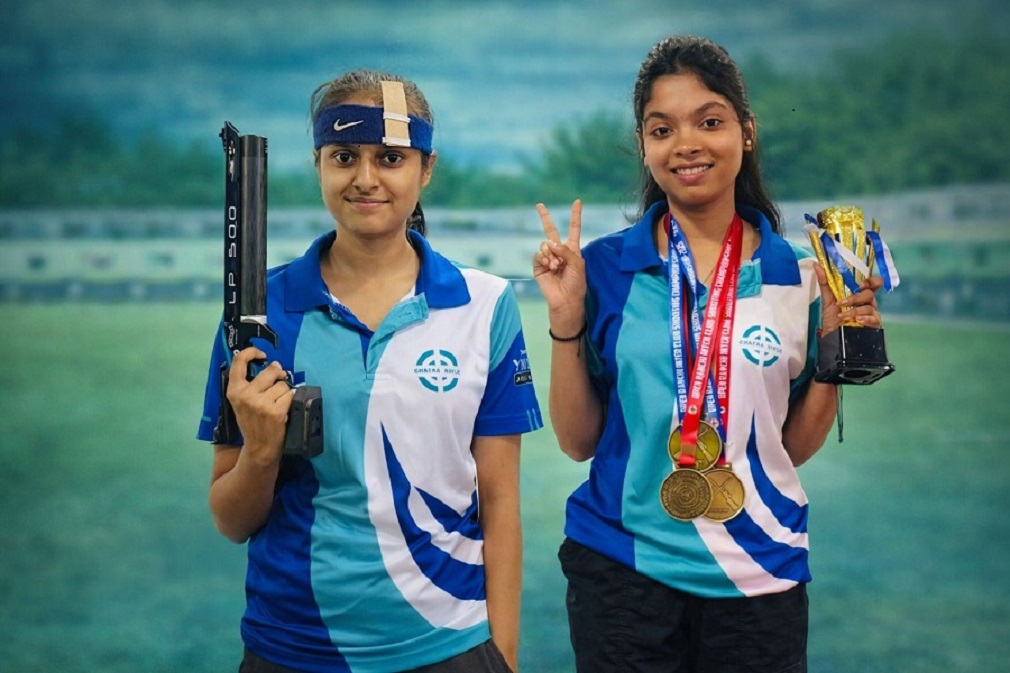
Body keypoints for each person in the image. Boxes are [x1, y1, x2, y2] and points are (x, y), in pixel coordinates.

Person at [533, 36, 884, 672]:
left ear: (747, 133)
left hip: (759, 572)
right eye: (662, 129)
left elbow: (791, 448)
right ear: (644, 146)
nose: (686, 144)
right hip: (622, 571)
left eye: (710, 122)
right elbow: (578, 441)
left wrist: (835, 349)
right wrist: (565, 320)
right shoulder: (603, 269)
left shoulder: (801, 278)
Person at [197, 69, 541, 673]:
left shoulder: (484, 304)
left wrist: (503, 655)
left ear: (425, 168)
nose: (365, 178)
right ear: (318, 164)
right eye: (343, 156)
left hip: (449, 644)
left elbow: (499, 499)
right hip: (292, 646)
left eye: (390, 157)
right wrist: (260, 453)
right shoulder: (258, 313)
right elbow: (231, 520)